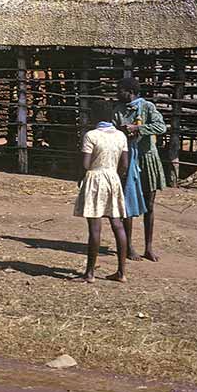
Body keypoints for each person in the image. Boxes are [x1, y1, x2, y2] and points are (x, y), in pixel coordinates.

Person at [73, 100, 129, 283]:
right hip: (113, 179)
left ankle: (90, 273)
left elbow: (85, 164)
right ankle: (121, 272)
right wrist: (115, 176)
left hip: (95, 179)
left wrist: (81, 178)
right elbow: (125, 164)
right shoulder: (121, 136)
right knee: (118, 225)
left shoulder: (91, 135)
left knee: (95, 228)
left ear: (94, 116)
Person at [114, 77, 167, 262]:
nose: (117, 93)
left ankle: (149, 247)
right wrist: (122, 131)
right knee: (127, 205)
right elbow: (113, 131)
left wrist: (138, 128)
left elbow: (161, 127)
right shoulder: (118, 110)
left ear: (130, 91)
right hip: (128, 160)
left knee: (150, 205)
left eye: (120, 90)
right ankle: (128, 246)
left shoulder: (147, 107)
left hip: (147, 160)